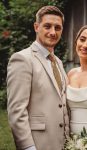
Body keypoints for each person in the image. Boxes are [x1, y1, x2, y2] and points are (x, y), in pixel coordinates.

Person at [7, 6, 69, 150]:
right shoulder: (22, 59)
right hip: (38, 144)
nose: (53, 32)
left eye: (57, 28)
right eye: (47, 26)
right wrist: (28, 147)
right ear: (36, 27)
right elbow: (17, 111)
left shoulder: (58, 62)